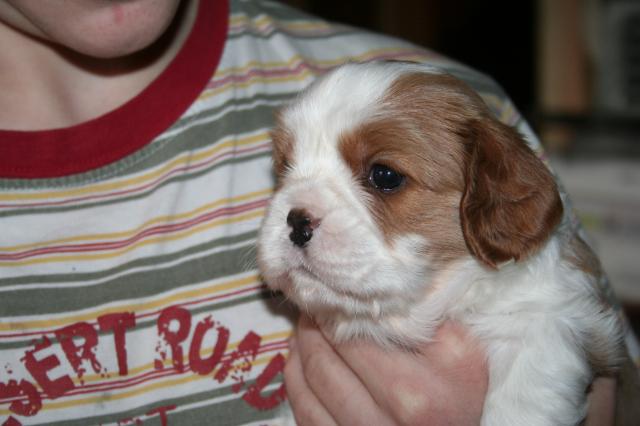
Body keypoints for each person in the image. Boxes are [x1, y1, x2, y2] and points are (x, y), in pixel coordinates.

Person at [0, 0, 625, 424]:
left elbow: (594, 346)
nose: (298, 213)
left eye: (383, 178)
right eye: (286, 169)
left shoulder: (471, 105)